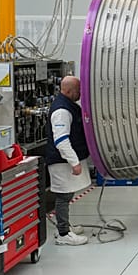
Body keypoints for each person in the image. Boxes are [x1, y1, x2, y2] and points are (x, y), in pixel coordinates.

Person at [45, 76, 91, 246]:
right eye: (78, 90)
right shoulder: (62, 111)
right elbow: (61, 140)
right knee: (63, 196)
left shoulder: (69, 106)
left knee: (68, 193)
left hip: (66, 161)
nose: (80, 93)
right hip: (60, 162)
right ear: (69, 91)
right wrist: (74, 162)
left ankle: (65, 226)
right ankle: (63, 233)